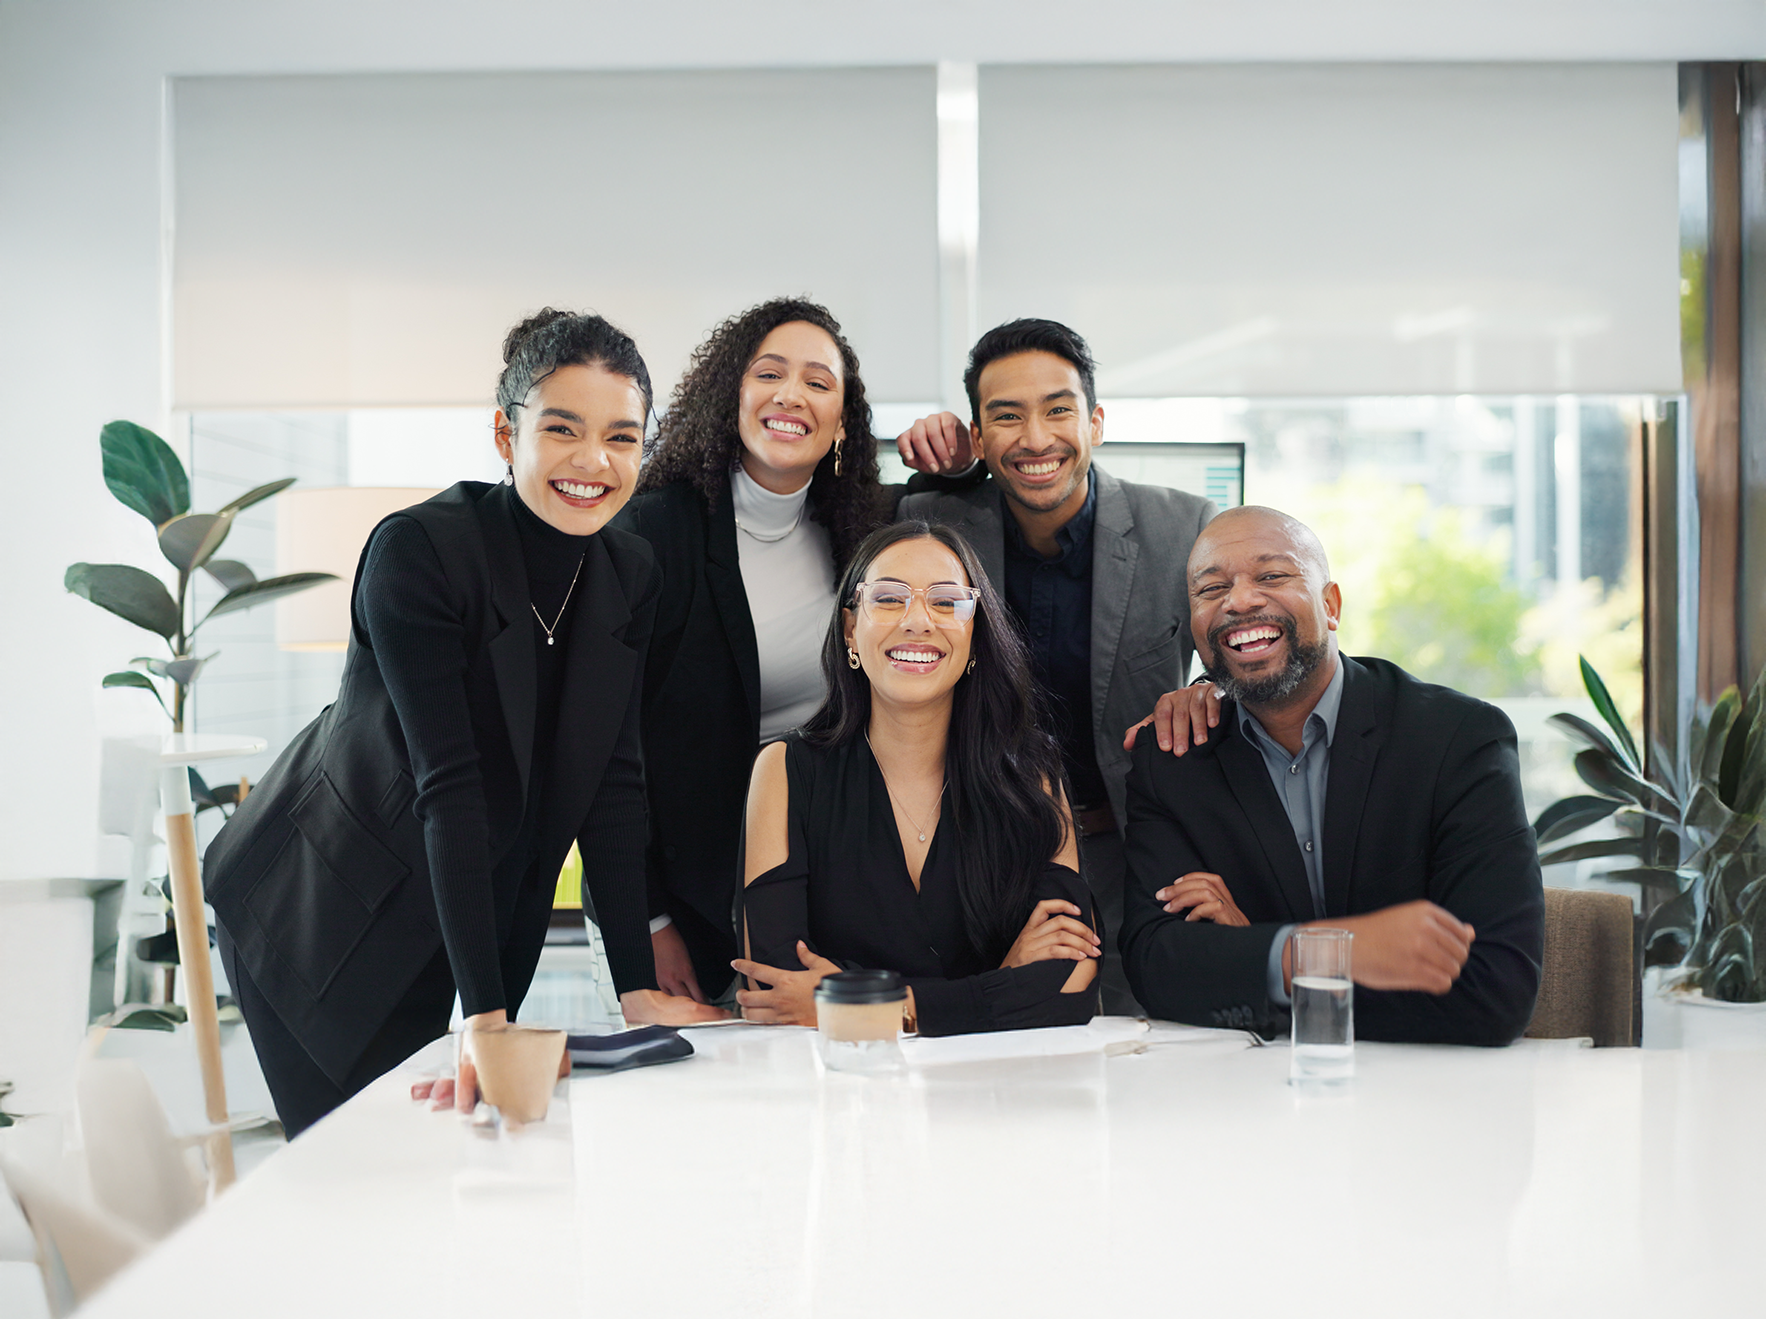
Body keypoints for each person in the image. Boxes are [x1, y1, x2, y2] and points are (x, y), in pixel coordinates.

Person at [205, 310, 722, 1138]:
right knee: (366, 1159)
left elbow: (614, 786)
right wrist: (484, 1018)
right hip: (323, 906)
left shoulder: (630, 572)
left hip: (462, 902)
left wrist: (634, 988)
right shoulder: (420, 551)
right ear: (506, 433)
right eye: (563, 428)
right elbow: (449, 786)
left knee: (456, 1145)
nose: (594, 461)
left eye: (622, 437)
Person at [613, 299, 978, 1008]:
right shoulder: (654, 533)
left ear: (843, 421)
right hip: (682, 893)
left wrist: (959, 462)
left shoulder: (860, 526)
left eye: (818, 382)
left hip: (829, 886)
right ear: (731, 396)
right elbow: (606, 749)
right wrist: (645, 919)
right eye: (769, 373)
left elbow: (946, 534)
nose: (791, 395)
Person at [1117, 505, 1546, 1044]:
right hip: (1249, 1088)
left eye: (1272, 575)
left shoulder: (1457, 740)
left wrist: (1266, 959)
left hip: (1432, 1087)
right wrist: (1331, 954)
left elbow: (1496, 988)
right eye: (1211, 589)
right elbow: (1156, 966)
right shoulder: (1175, 759)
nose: (1240, 600)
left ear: (1331, 605)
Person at [897, 319, 1218, 1015]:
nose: (1036, 438)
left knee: (1141, 1044)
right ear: (978, 437)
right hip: (973, 857)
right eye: (1007, 416)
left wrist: (1205, 690)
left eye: (1058, 410)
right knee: (986, 1047)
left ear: (1095, 422)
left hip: (1131, 855)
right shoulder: (932, 520)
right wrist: (935, 463)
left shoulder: (1182, 527)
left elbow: (1244, 665)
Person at [732, 522, 1100, 1034]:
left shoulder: (1030, 773)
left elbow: (1071, 981)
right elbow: (775, 989)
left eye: (947, 602)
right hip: (841, 1078)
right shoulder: (784, 771)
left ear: (975, 636)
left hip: (998, 1079)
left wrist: (880, 1009)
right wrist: (1002, 982)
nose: (918, 621)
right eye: (888, 599)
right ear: (849, 630)